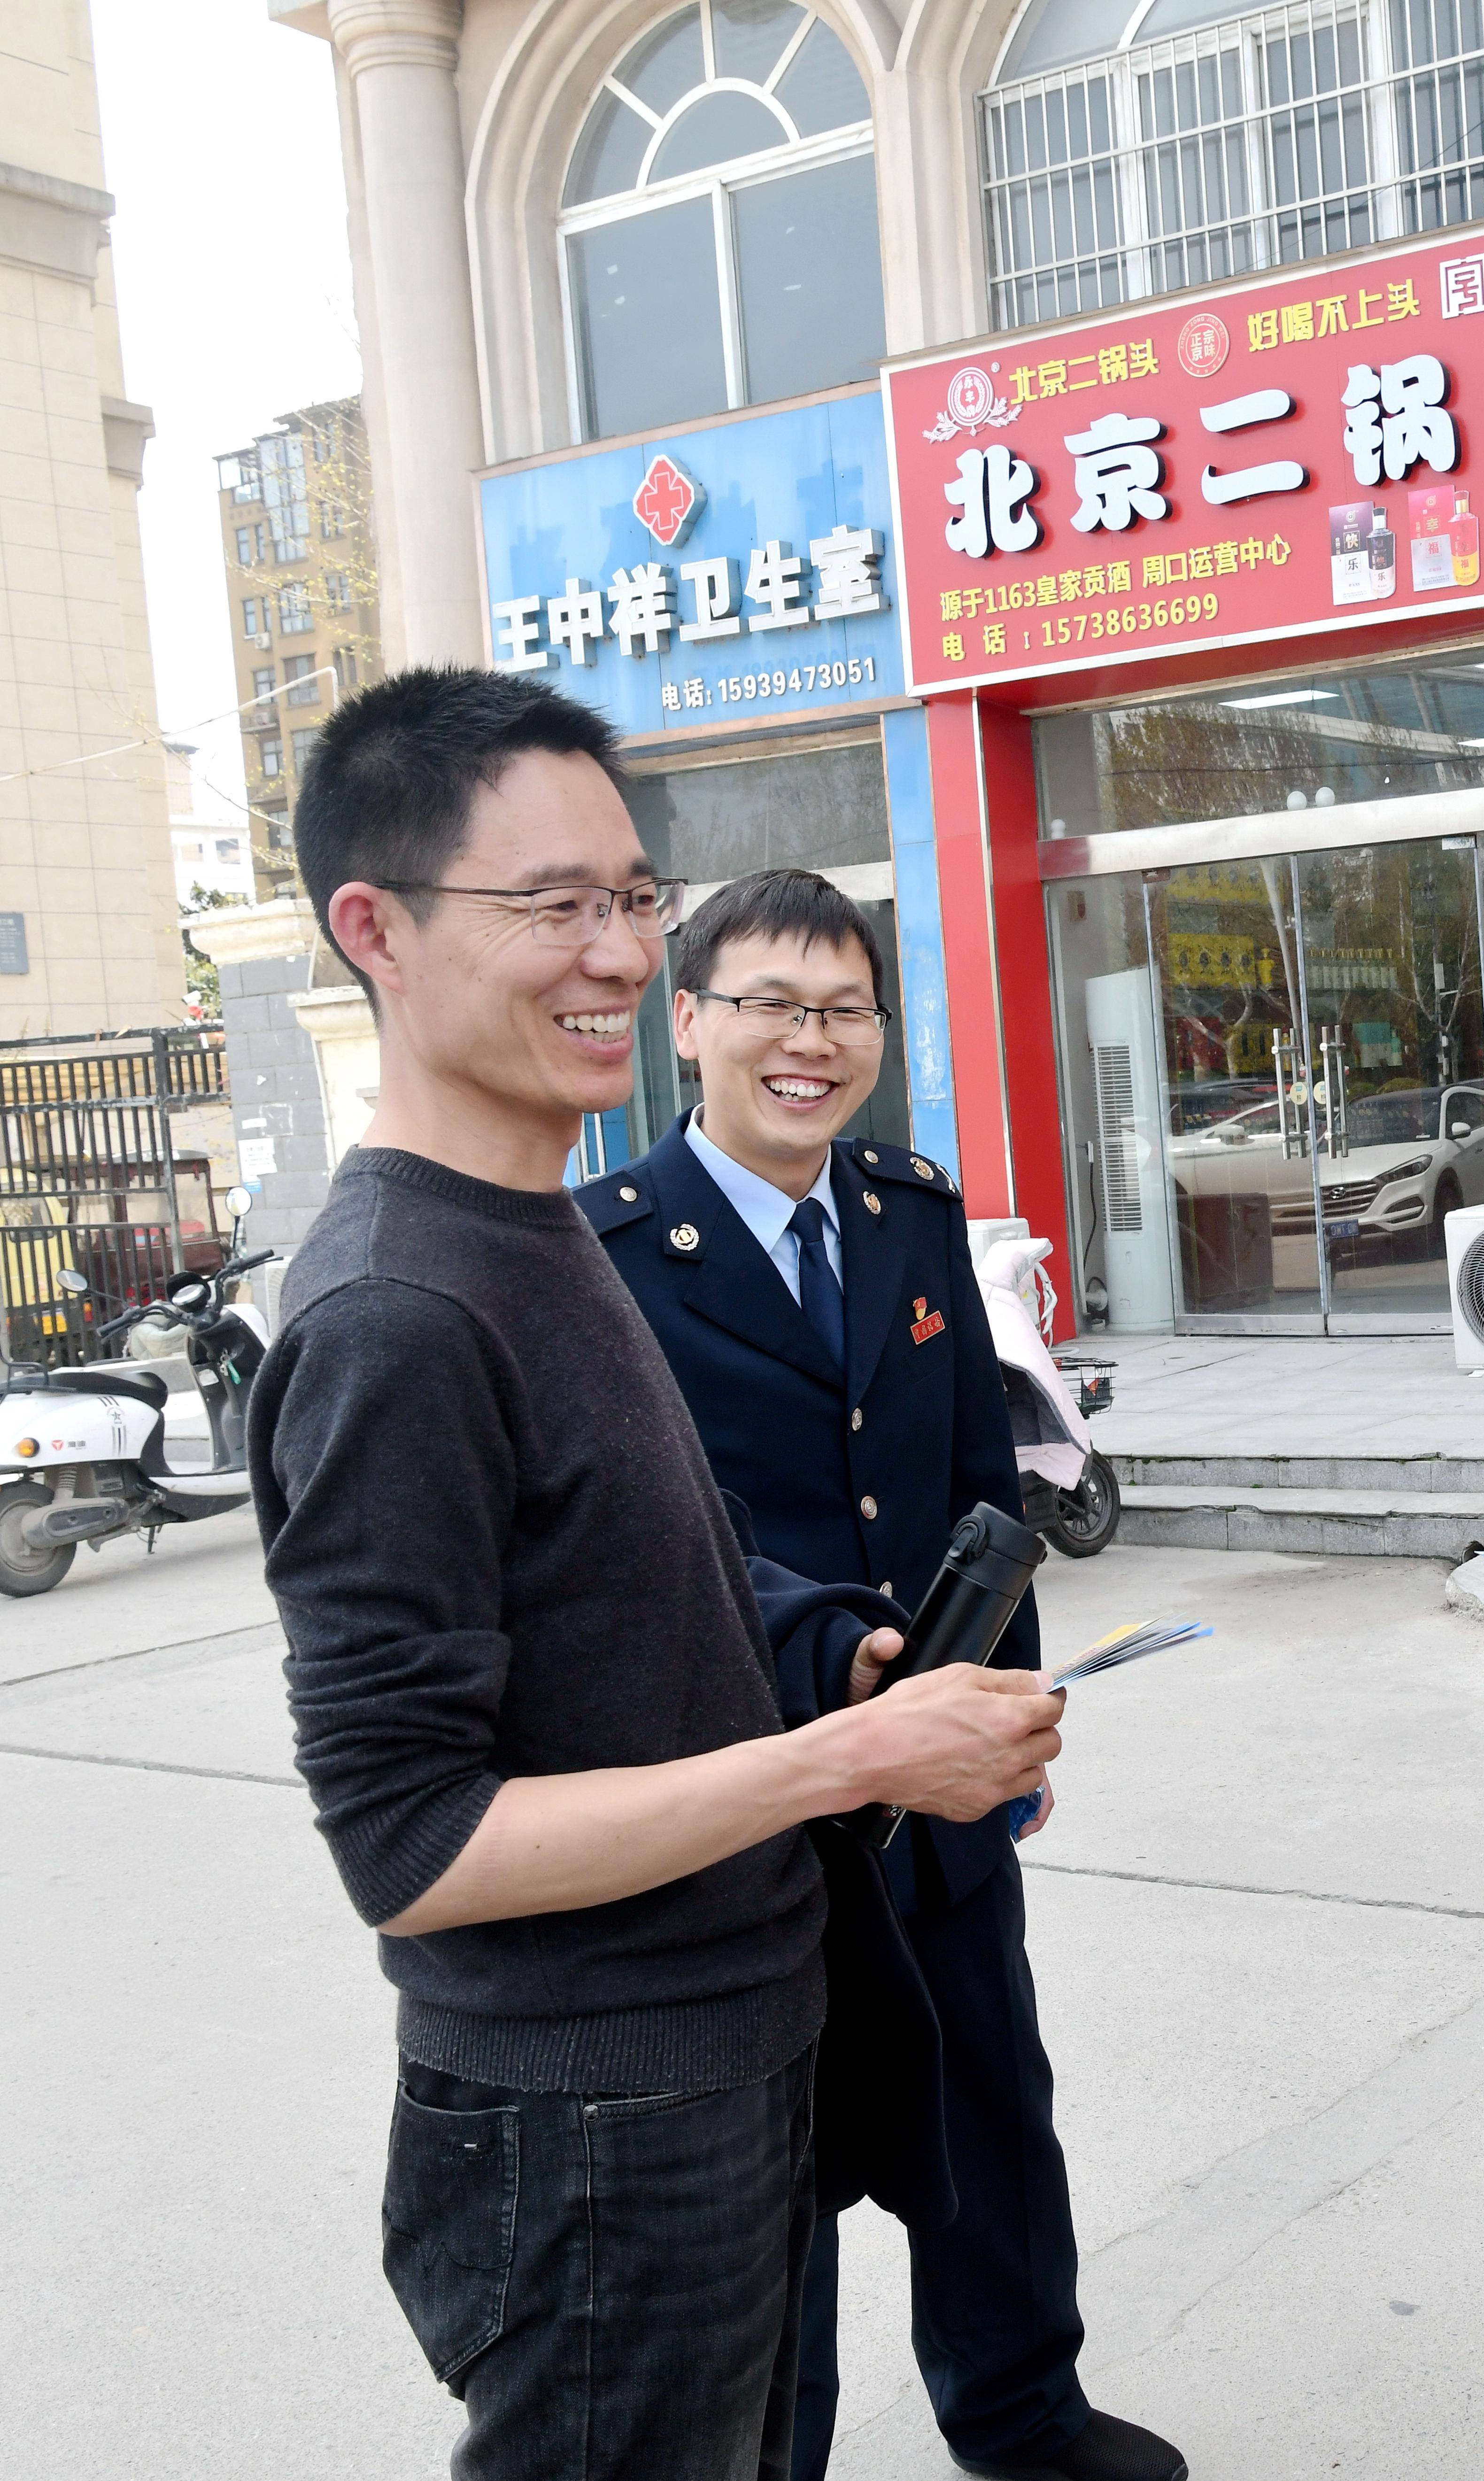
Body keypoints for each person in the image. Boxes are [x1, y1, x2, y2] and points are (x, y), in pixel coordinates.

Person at [252, 668, 1064, 2481]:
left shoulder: (536, 1227)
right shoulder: (399, 1309)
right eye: (553, 906)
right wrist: (855, 1764)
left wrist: (827, 1658)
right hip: (594, 2117)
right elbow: (418, 1848)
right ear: (372, 929)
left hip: (724, 2045)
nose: (614, 952)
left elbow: (647, 1587)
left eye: (634, 898)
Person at [580, 869, 1182, 2481]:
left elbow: (979, 1471)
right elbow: (655, 1542)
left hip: (947, 1756)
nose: (813, 1039)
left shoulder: (910, 1209)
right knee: (777, 2153)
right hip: (754, 1783)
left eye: (845, 1007)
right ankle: (781, 2453)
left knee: (991, 2098)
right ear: (687, 1019)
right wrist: (834, 1671)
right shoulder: (609, 1256)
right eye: (772, 1003)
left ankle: (1024, 2411)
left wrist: (1021, 1708)